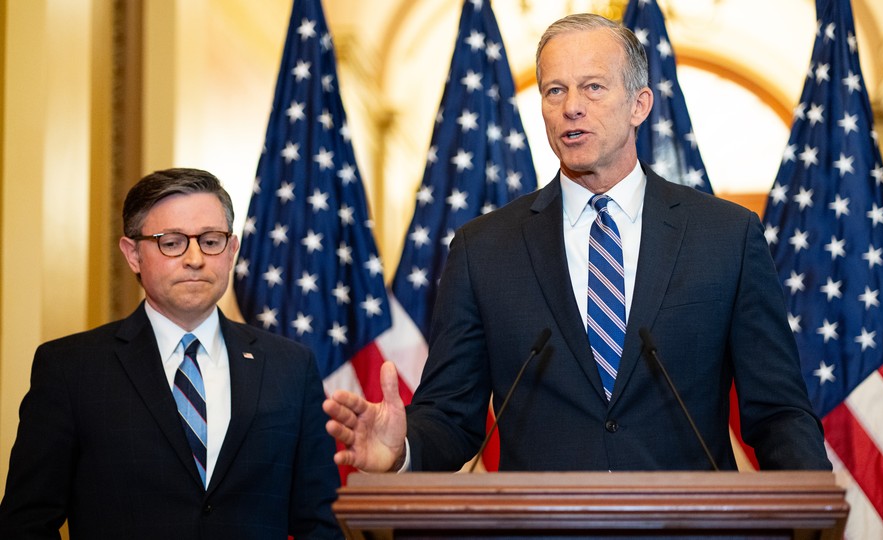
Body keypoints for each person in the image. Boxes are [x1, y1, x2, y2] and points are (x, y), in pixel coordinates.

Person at [324, 13, 831, 473]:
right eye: (554, 91)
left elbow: (778, 411)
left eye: (592, 88)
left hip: (688, 528)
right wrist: (403, 448)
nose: (571, 108)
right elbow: (452, 416)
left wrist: (815, 513)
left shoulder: (727, 236)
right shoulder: (484, 249)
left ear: (640, 105)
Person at [0, 168, 343, 539]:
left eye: (211, 241)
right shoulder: (71, 369)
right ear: (133, 254)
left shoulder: (290, 367)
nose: (195, 258)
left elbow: (319, 524)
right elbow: (26, 524)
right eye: (172, 242)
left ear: (232, 251)